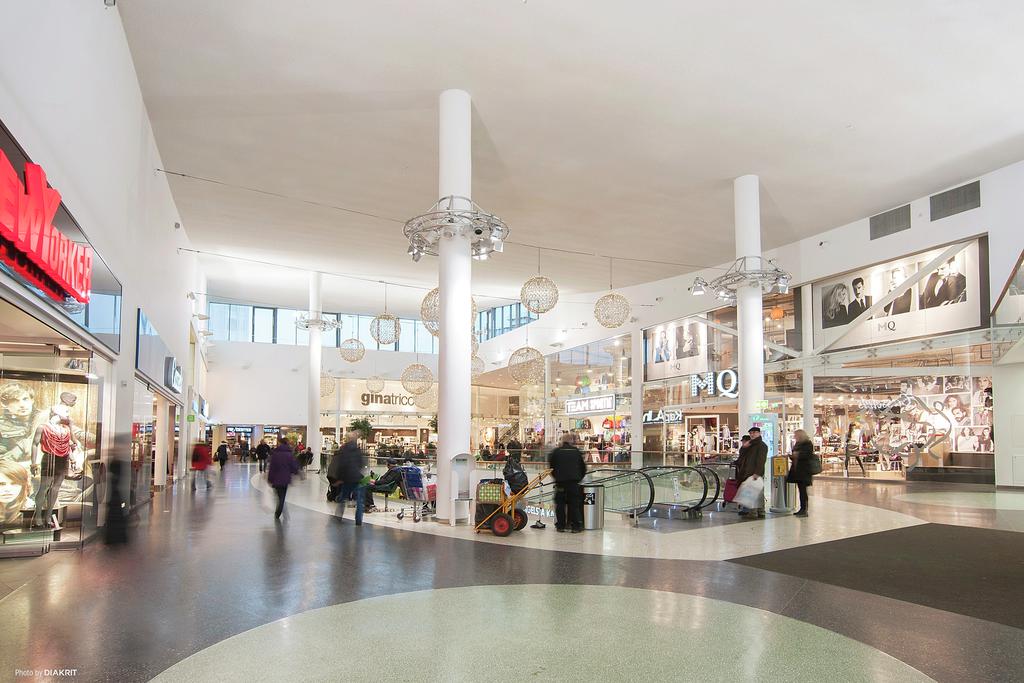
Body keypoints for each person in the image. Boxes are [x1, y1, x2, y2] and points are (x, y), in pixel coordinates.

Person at [548, 434, 587, 533]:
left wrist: (556, 477)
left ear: (562, 441)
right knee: (574, 504)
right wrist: (579, 478)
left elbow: (551, 467)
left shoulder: (556, 452)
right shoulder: (576, 452)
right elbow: (583, 467)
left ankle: (560, 526)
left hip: (560, 482)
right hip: (573, 483)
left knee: (560, 504)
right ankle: (576, 526)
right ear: (571, 441)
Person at [328, 435, 366, 524]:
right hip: (356, 477)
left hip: (347, 478)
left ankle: (338, 516)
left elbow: (341, 465)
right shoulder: (358, 450)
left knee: (343, 497)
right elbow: (361, 464)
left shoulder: (344, 450)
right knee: (359, 500)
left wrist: (339, 479)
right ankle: (359, 520)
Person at [734, 427, 768, 517]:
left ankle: (754, 512)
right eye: (751, 433)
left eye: (754, 432)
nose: (752, 434)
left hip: (755, 473)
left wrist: (757, 472)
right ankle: (760, 511)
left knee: (754, 493)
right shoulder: (750, 445)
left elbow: (761, 460)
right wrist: (744, 447)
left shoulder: (761, 445)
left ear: (759, 433)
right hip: (748, 472)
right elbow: (742, 457)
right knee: (756, 492)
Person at [267, 438, 299, 520]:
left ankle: (279, 511)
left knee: (279, 496)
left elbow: (272, 468)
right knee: (282, 496)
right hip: (285, 479)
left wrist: (270, 479)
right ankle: (279, 511)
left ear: (280, 444)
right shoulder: (289, 454)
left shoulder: (275, 454)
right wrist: (295, 472)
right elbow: (293, 466)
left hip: (276, 479)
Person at [787, 429, 815, 517]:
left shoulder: (808, 443)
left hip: (804, 471)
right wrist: (792, 456)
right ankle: (802, 508)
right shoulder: (797, 443)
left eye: (796, 435)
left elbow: (807, 455)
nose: (794, 437)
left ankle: (804, 509)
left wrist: (797, 455)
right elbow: (795, 454)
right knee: (801, 490)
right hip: (797, 471)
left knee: (803, 491)